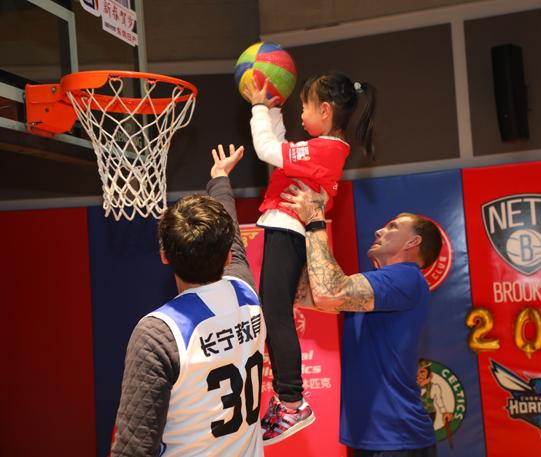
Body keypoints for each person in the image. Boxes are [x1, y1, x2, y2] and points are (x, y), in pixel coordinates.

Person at [242, 72, 377, 444]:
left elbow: (267, 150)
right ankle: (288, 400)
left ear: (325, 110)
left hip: (288, 227)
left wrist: (257, 107)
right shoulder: (323, 148)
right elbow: (280, 148)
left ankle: (291, 401)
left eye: (304, 107)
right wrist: (273, 112)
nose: (301, 114)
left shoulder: (328, 148)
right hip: (286, 227)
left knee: (276, 313)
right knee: (275, 310)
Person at [110, 145, 266, 457]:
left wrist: (220, 180)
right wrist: (220, 179)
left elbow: (134, 449)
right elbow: (233, 241)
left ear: (164, 255)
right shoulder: (246, 294)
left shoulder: (159, 333)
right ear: (227, 257)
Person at [281, 180, 442, 457]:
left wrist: (316, 221)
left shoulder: (406, 277)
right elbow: (304, 293)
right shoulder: (379, 287)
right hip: (370, 437)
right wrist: (292, 227)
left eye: (393, 227)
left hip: (398, 439)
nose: (379, 231)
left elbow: (329, 292)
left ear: (413, 242)